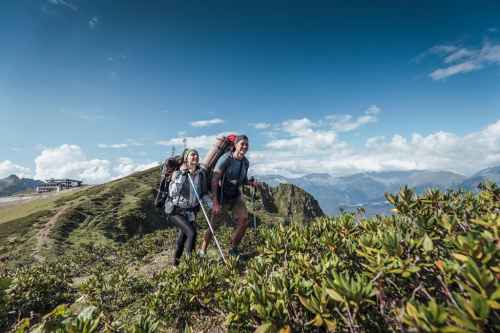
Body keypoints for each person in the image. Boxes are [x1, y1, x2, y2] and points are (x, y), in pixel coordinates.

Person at [199, 135, 257, 257]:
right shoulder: (226, 159)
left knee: (244, 220)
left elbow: (242, 179)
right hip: (222, 197)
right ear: (235, 145)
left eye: (247, 144)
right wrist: (215, 202)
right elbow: (215, 179)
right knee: (214, 225)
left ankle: (233, 248)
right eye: (242, 144)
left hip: (235, 196)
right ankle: (203, 250)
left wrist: (250, 183)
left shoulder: (245, 162)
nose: (245, 147)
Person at [165, 149, 211, 266]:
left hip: (190, 212)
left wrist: (211, 206)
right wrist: (182, 176)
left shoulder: (201, 174)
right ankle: (191, 265)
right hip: (175, 210)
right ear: (186, 158)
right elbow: (172, 193)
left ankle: (175, 265)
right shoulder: (178, 174)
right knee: (192, 233)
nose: (195, 157)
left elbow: (203, 194)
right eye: (192, 155)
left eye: (197, 155)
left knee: (183, 237)